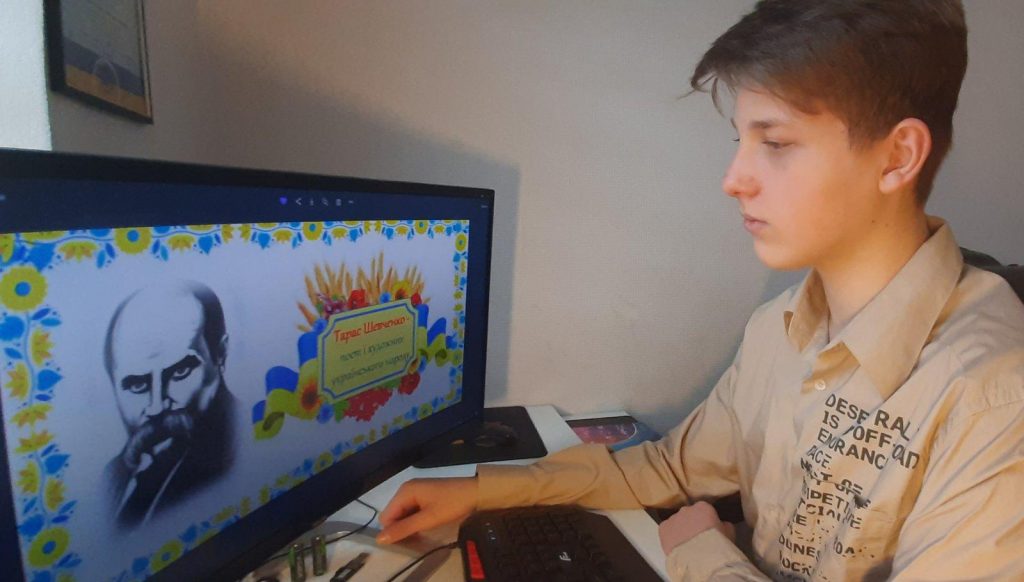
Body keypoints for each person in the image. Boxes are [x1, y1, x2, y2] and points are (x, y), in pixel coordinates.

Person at [376, 1, 1024, 579]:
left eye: (775, 143)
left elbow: (694, 530)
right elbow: (672, 468)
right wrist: (481, 490)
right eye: (741, 140)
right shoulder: (780, 327)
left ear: (897, 156)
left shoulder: (994, 396)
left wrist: (706, 555)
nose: (733, 178)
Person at [103, 280, 241, 530]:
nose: (156, 406)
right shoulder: (112, 479)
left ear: (220, 354)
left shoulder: (246, 444)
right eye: (138, 385)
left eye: (180, 372)